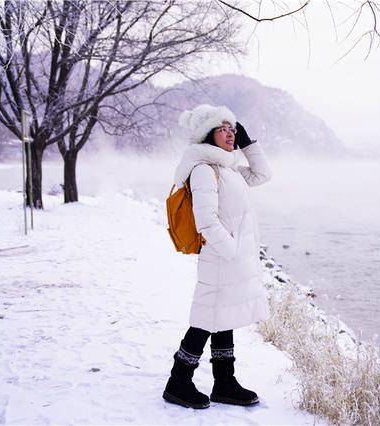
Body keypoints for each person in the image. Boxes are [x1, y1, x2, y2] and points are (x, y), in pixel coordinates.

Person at [163, 104, 272, 409]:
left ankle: (224, 382)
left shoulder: (227, 168)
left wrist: (249, 144)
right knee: (206, 318)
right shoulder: (203, 169)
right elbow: (206, 221)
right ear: (207, 134)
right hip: (221, 258)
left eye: (233, 128)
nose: (230, 133)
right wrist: (232, 250)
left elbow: (263, 174)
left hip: (230, 259)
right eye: (223, 128)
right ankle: (178, 382)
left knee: (223, 316)